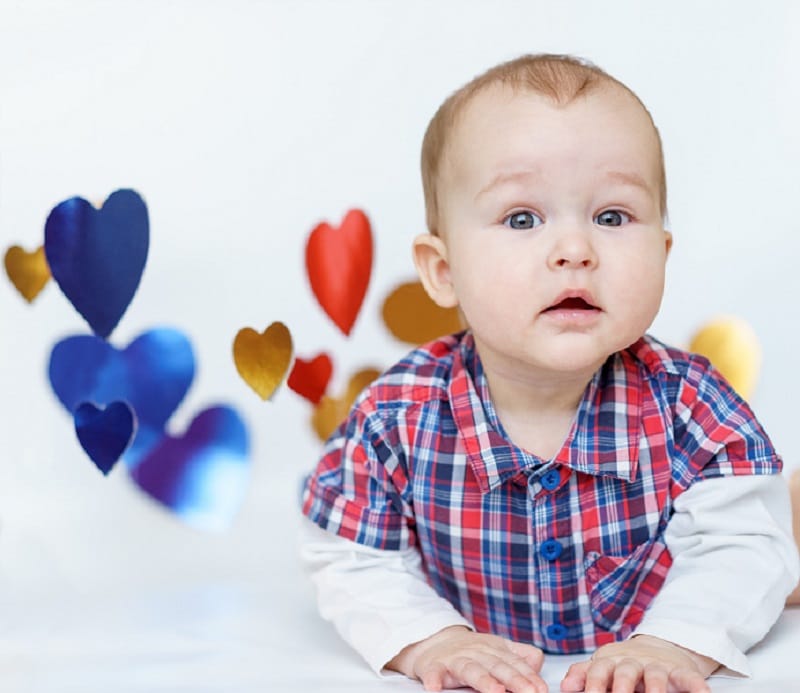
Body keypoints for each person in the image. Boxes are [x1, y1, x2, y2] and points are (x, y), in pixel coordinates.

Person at [299, 53, 800, 693]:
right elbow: (351, 551)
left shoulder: (691, 406)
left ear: (662, 251)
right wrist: (431, 638)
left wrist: (673, 641)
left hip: (659, 612)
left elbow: (744, 545)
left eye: (612, 217)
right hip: (475, 621)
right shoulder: (396, 418)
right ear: (444, 272)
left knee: (781, 541)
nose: (575, 251)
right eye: (522, 219)